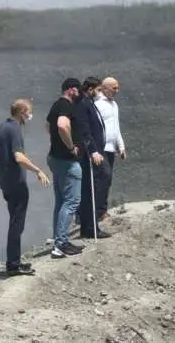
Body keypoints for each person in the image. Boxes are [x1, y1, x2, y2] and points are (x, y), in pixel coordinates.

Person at [0, 99, 50, 277]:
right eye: (29, 112)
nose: (30, 115)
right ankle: (13, 265)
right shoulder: (15, 129)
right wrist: (38, 171)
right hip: (17, 182)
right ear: (22, 112)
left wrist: (3, 162)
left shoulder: (1, 127)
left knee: (14, 220)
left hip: (5, 181)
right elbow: (19, 157)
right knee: (17, 224)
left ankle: (14, 261)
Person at [45, 78, 85, 258]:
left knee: (61, 201)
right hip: (68, 161)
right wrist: (70, 146)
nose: (80, 93)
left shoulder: (56, 105)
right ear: (70, 90)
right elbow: (62, 125)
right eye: (78, 89)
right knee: (71, 201)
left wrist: (57, 142)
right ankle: (61, 243)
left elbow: (48, 126)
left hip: (56, 158)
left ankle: (59, 240)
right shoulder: (66, 106)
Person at [74, 76, 112, 239]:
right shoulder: (83, 105)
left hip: (97, 151)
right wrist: (92, 150)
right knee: (92, 190)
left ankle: (89, 226)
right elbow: (84, 130)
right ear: (89, 89)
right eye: (98, 90)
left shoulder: (89, 103)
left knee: (96, 187)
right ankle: (90, 227)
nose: (100, 93)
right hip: (91, 155)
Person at [95, 77, 126, 221]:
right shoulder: (98, 105)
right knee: (103, 178)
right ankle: (99, 211)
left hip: (111, 148)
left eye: (118, 88)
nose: (117, 91)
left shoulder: (114, 105)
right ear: (105, 88)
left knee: (107, 179)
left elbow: (116, 126)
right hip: (101, 148)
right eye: (114, 88)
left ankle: (101, 209)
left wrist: (121, 146)